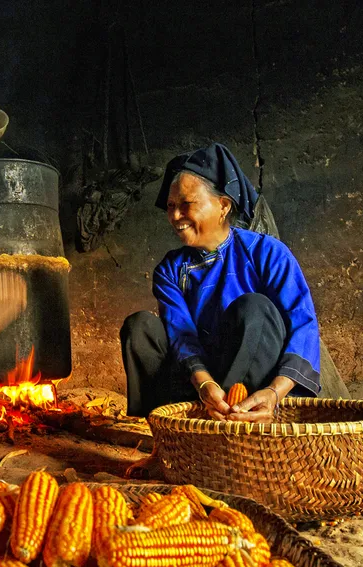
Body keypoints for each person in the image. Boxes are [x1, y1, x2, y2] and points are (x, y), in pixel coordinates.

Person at [119, 143, 321, 429]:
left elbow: (303, 323)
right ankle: (166, 431)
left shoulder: (267, 252)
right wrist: (204, 383)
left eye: (186, 204)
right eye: (171, 207)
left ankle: (240, 416)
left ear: (223, 205)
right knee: (140, 326)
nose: (175, 216)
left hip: (252, 387)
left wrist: (275, 392)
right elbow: (180, 334)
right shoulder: (170, 269)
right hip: (199, 386)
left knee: (255, 307)